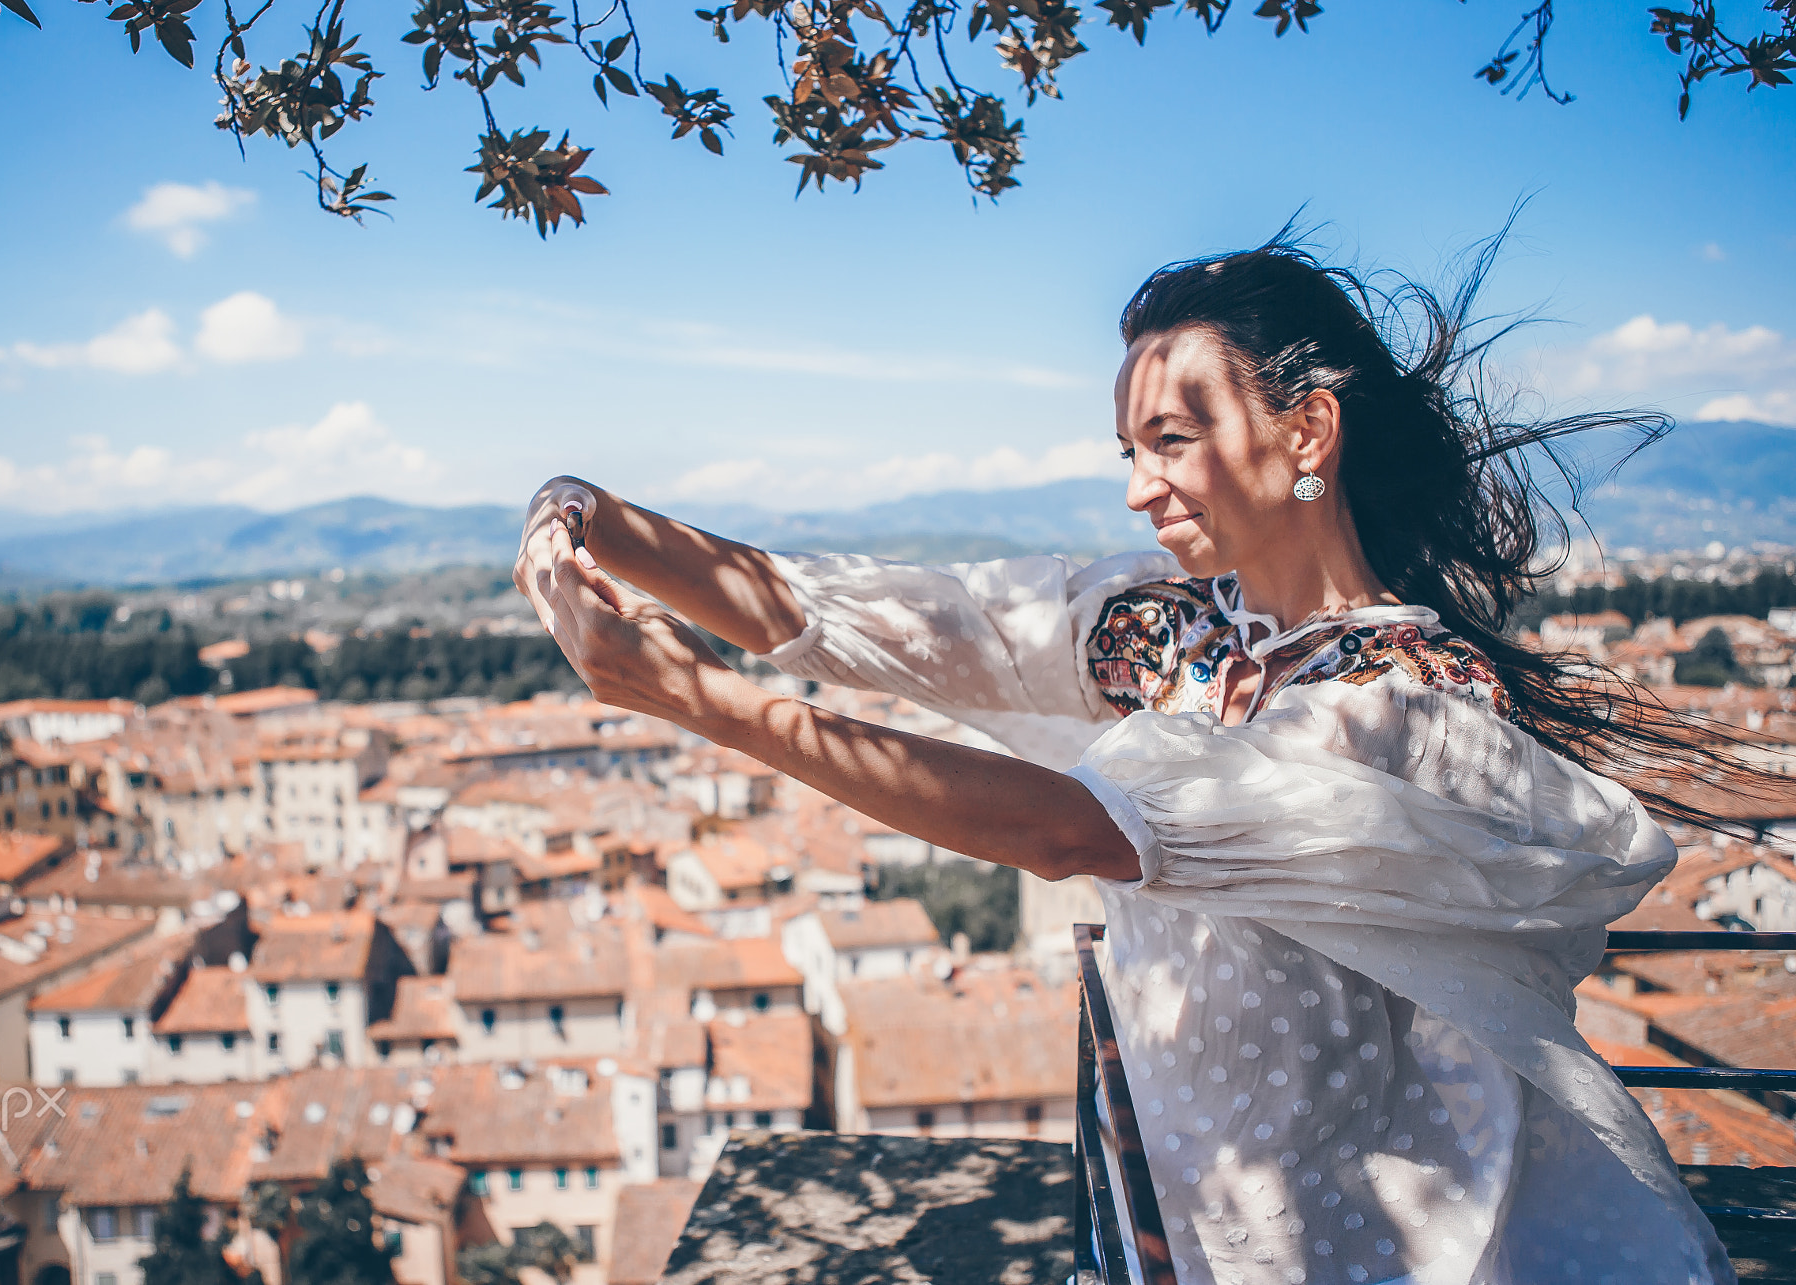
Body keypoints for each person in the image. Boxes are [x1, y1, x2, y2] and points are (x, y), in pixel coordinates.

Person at [512, 238, 1735, 1285]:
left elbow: (1081, 830)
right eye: (1126, 451)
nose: (1141, 488)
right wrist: (583, 516)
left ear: (1305, 427)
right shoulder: (1166, 629)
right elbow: (849, 611)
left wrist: (705, 707)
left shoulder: (1408, 709)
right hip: (1185, 1205)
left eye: (1171, 439)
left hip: (1396, 1237)